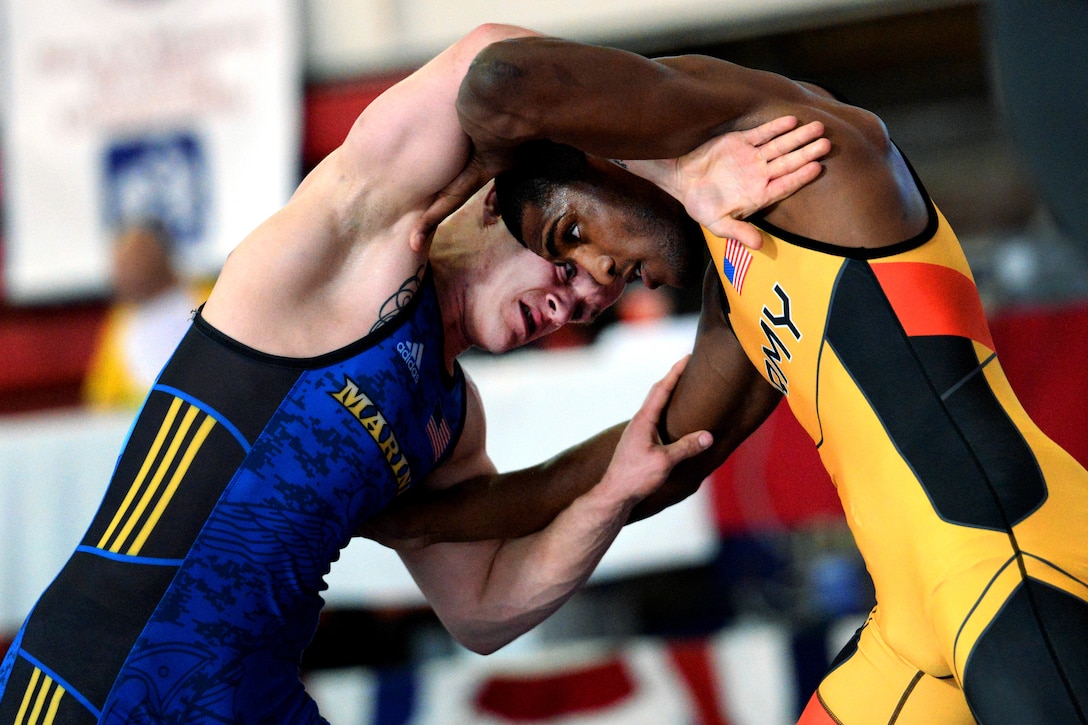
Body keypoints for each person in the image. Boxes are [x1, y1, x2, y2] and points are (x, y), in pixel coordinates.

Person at [0, 25, 828, 723]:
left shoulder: (450, 420)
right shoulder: (343, 253)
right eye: (576, 265)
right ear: (516, 206)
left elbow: (484, 609)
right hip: (103, 680)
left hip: (252, 697)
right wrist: (674, 167)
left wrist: (609, 497)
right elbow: (488, 61)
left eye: (602, 297)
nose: (577, 303)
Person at [369, 33, 1088, 724]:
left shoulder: (799, 144)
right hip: (910, 623)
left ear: (603, 155)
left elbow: (501, 86)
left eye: (573, 235)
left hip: (1013, 566)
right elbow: (658, 465)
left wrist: (479, 179)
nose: (596, 279)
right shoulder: (736, 272)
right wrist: (393, 518)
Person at [83, 220, 207, 409]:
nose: (126, 270)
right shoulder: (120, 325)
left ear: (163, 255)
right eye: (121, 261)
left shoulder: (210, 300)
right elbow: (101, 403)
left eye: (136, 257)